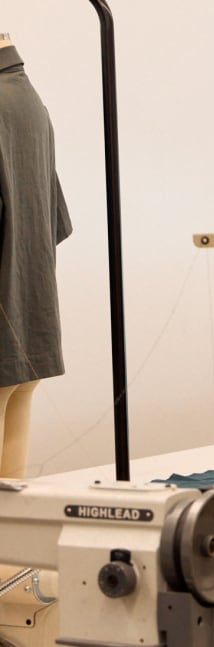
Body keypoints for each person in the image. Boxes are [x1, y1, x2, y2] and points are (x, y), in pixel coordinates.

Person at [1, 36, 74, 478]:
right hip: (31, 303)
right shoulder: (31, 103)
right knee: (18, 399)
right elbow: (56, 221)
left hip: (3, 298)